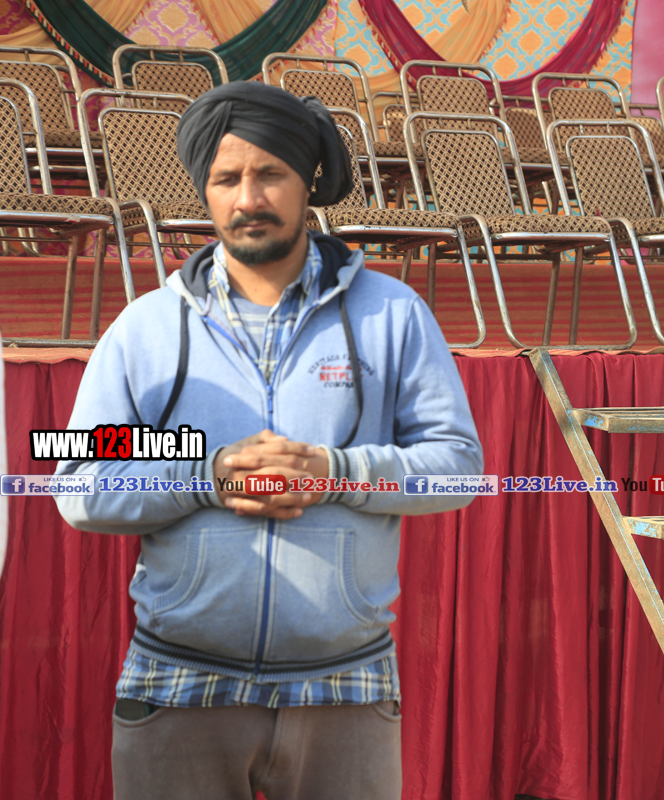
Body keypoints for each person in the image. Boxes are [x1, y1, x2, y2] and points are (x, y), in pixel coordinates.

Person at [53, 81, 483, 800]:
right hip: (179, 683)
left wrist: (336, 471)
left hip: (346, 685)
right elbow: (80, 482)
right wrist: (207, 474)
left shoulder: (393, 315)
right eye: (227, 179)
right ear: (205, 190)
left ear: (308, 180)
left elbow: (460, 469)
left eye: (270, 174)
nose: (248, 198)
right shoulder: (147, 327)